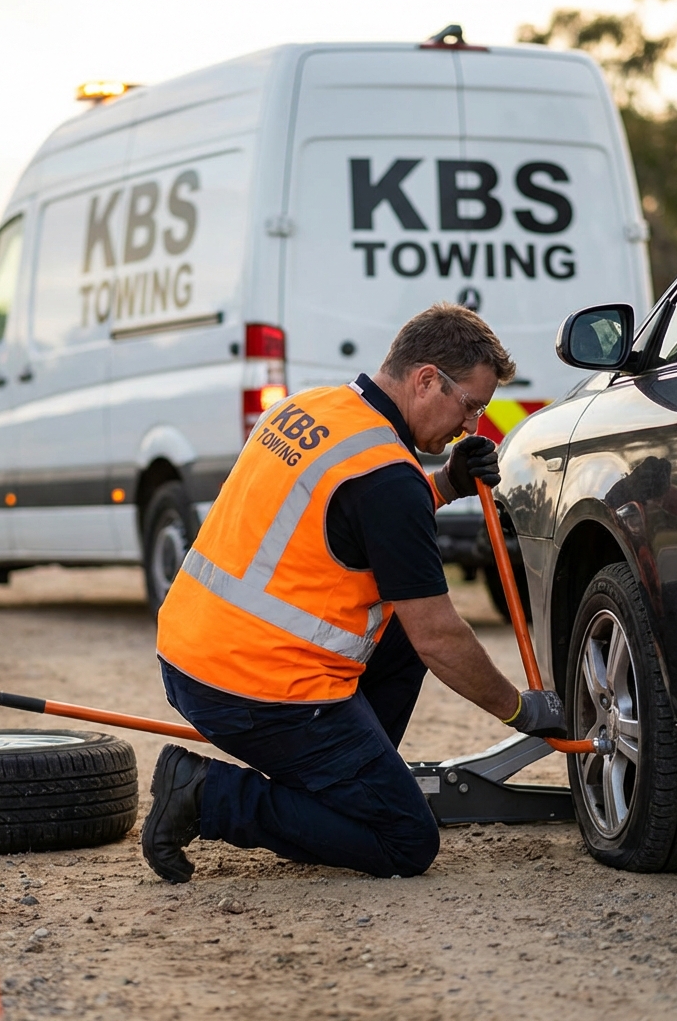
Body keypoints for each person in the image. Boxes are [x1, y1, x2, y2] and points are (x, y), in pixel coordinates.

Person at [142, 302, 567, 883]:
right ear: (426, 380)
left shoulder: (310, 408)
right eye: (470, 405)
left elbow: (352, 517)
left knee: (400, 643)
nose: (471, 426)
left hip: (193, 653)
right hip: (254, 689)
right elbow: (440, 637)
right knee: (405, 840)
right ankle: (208, 795)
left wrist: (445, 484)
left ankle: (347, 783)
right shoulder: (387, 478)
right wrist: (519, 709)